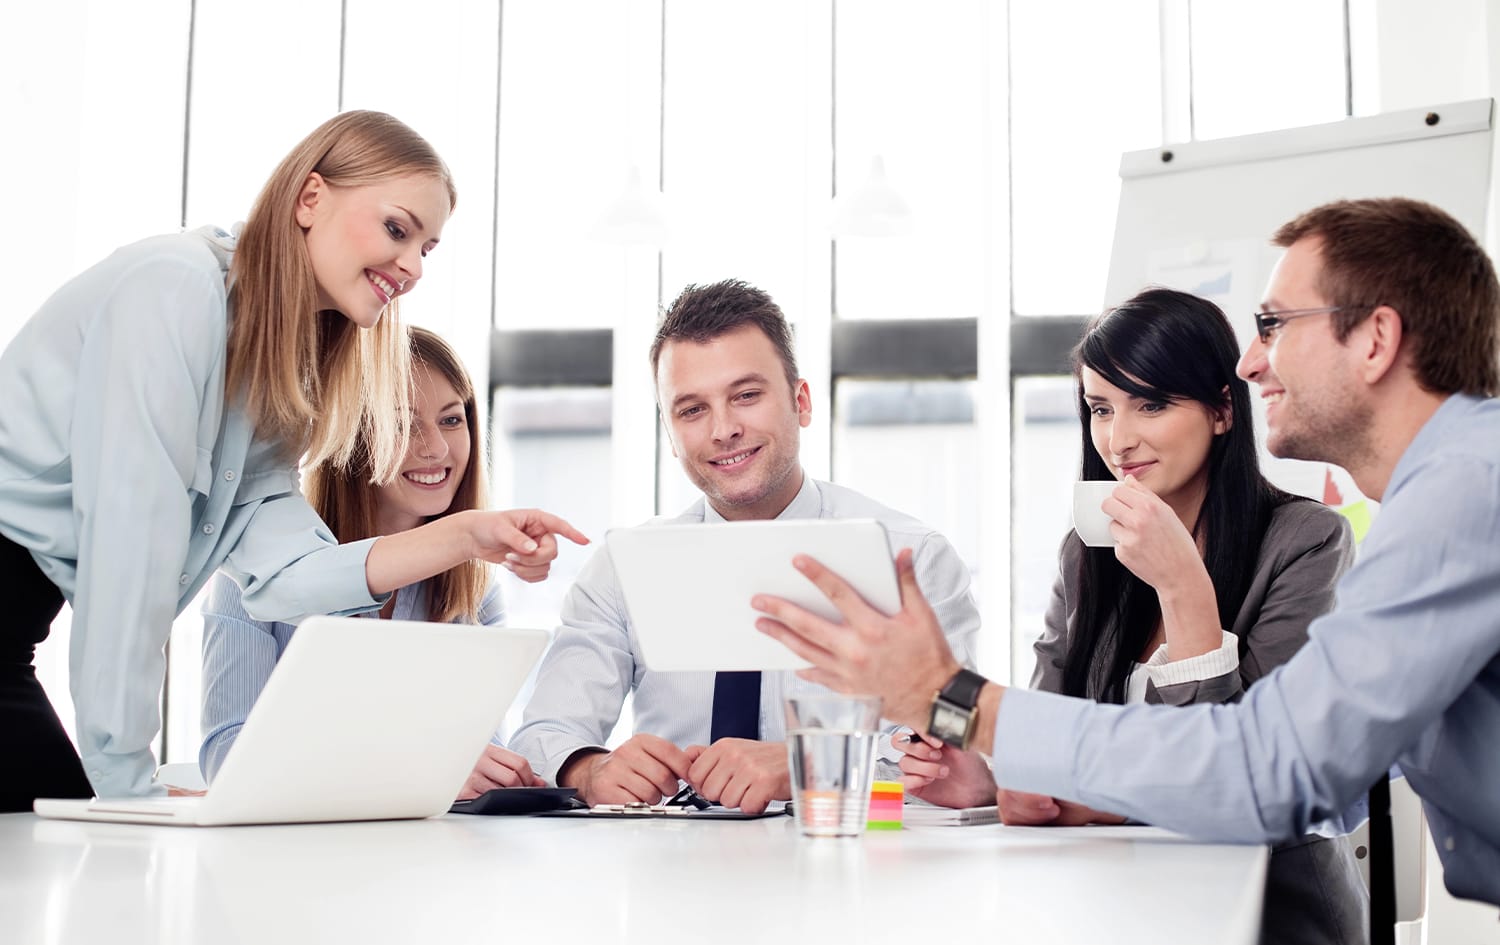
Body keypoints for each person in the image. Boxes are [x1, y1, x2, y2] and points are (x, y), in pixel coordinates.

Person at [754, 196, 1500, 907]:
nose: (1250, 362)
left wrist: (952, 696)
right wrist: (995, 776)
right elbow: (1325, 771)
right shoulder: (1447, 489)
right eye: (1101, 407)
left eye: (1273, 323)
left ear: (1376, 339)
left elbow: (1269, 772)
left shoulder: (1460, 493)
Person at [0, 110, 585, 811]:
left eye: (429, 248)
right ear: (310, 199)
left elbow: (287, 576)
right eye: (398, 229)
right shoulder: (176, 290)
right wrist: (128, 793)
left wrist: (465, 535)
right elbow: (129, 553)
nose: (413, 266)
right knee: (63, 850)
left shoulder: (280, 374)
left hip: (12, 633)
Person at [895, 288, 1365, 945]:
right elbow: (1049, 717)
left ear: (1223, 410)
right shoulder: (1089, 553)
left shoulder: (1309, 541)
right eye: (1100, 408)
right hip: (1116, 904)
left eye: (1151, 403)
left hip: (1269, 913)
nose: (1119, 439)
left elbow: (1245, 777)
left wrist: (1184, 589)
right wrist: (992, 773)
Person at [508, 279, 980, 813]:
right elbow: (544, 732)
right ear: (669, 432)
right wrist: (589, 769)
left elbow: (951, 751)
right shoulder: (622, 568)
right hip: (670, 866)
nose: (724, 429)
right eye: (691, 410)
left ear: (800, 402)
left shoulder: (913, 559)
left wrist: (807, 764)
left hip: (847, 867)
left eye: (747, 396)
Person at [199, 326, 542, 798]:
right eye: (402, 423)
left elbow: (480, 754)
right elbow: (226, 756)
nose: (437, 450)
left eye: (451, 419)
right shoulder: (258, 573)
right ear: (350, 435)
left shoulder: (474, 591)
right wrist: (419, 764)